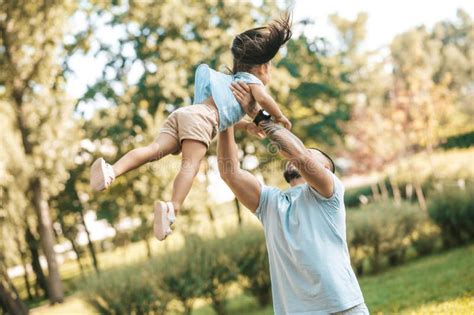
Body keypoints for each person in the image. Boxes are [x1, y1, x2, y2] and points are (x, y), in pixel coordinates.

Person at [90, 15, 292, 241]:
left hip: (185, 113)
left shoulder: (232, 82)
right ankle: (172, 208)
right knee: (190, 166)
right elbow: (263, 100)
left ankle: (111, 171)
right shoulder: (252, 82)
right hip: (202, 120)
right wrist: (279, 115)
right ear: (263, 68)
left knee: (153, 150)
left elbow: (226, 115)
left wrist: (246, 127)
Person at [217, 81, 369, 314]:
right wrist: (226, 121)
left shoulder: (329, 191)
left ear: (326, 169)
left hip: (341, 305)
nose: (300, 154)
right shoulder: (271, 203)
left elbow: (298, 154)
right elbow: (230, 173)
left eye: (312, 154)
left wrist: (258, 113)